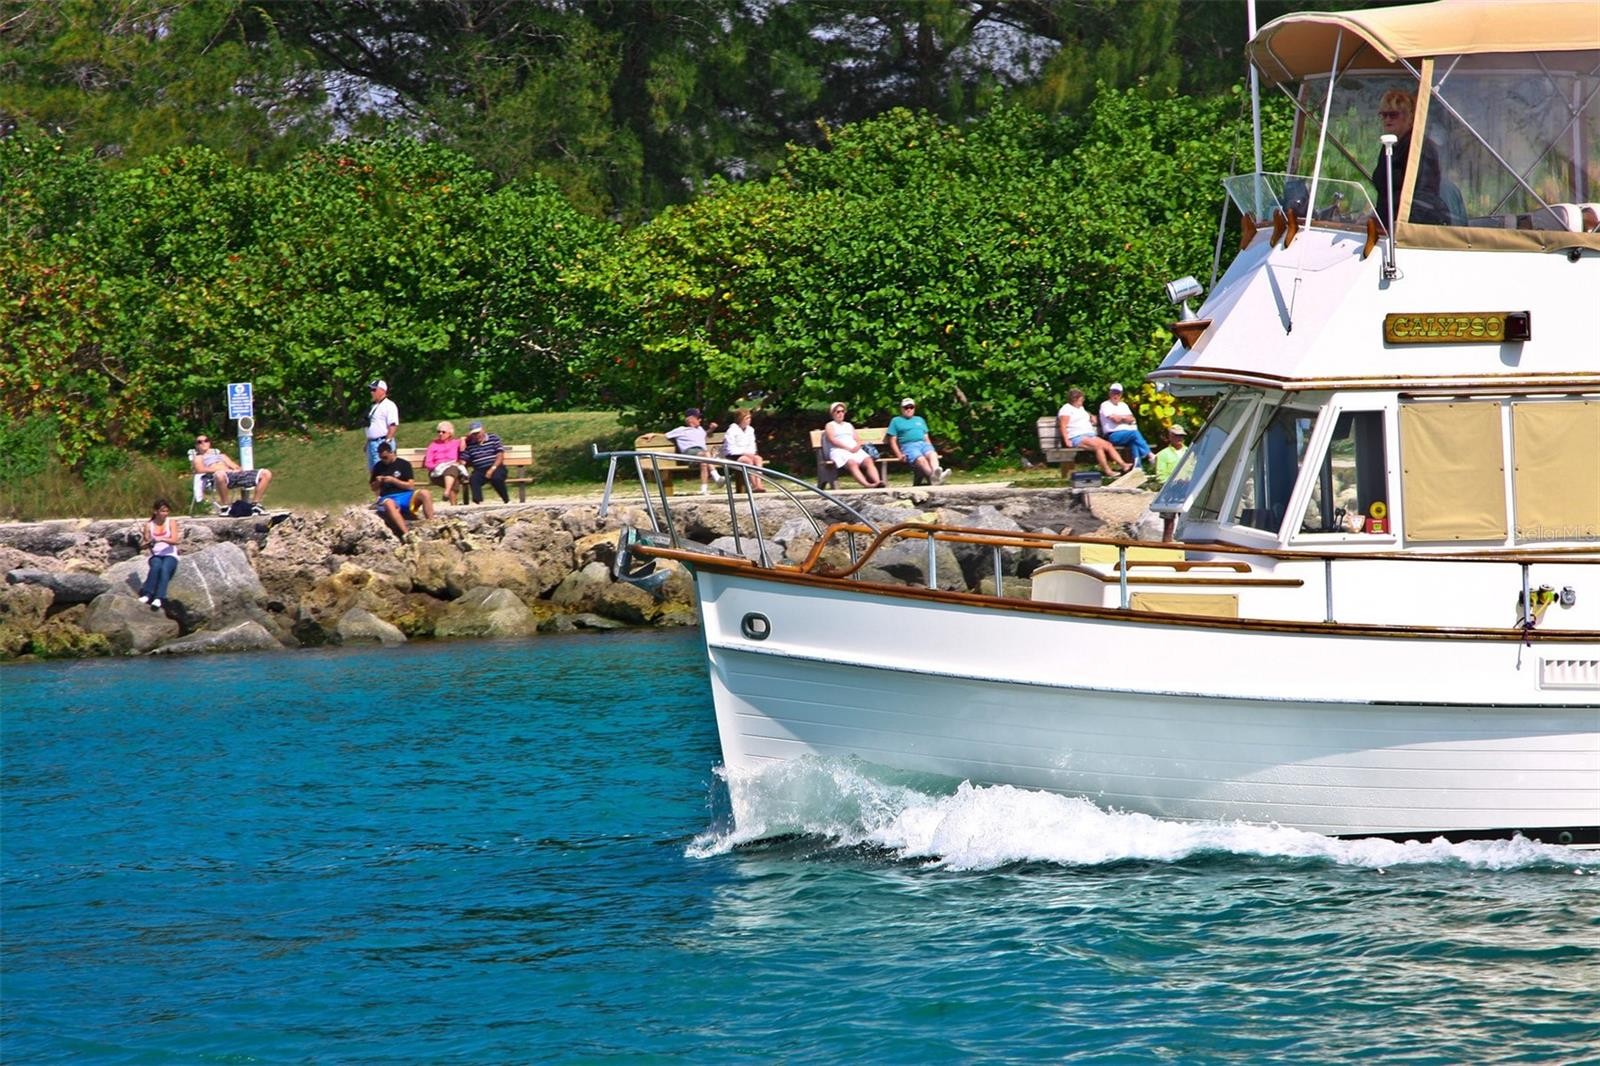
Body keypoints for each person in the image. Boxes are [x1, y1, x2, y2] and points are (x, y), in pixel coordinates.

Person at [1369, 89, 1445, 229]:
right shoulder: (1388, 145)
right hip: (1387, 226)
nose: (1387, 119)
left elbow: (1424, 195)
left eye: (1393, 115)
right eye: (1383, 115)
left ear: (1408, 117)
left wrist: (1401, 228)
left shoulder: (1420, 147)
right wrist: (1374, 216)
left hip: (1413, 228)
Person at [1057, 389, 1131, 477]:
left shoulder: (1080, 408)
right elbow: (1063, 426)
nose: (1083, 400)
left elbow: (1084, 415)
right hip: (1077, 436)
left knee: (1108, 445)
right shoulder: (1066, 409)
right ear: (1075, 399)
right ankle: (1107, 471)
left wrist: (1091, 416)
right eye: (1081, 399)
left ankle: (1124, 465)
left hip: (1090, 435)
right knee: (1098, 447)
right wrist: (1066, 440)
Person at [369, 441, 434, 538]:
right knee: (389, 503)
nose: (383, 460)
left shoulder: (404, 464)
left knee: (425, 493)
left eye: (385, 457)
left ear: (391, 453)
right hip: (388, 496)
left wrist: (394, 481)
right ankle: (407, 534)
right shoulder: (378, 466)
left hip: (406, 495)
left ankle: (432, 523)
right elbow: (373, 488)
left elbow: (410, 485)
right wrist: (378, 482)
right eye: (381, 458)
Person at [190, 433, 272, 510]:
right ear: (196, 446)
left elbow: (235, 466)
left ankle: (255, 504)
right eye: (200, 442)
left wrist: (237, 470)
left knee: (266, 473)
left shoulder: (221, 456)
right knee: (220, 474)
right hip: (217, 477)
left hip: (232, 475)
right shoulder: (198, 458)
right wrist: (221, 470)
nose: (203, 443)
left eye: (206, 440)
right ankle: (226, 506)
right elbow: (200, 470)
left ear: (209, 443)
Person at [886, 398, 951, 485]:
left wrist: (932, 449)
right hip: (909, 446)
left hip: (923, 444)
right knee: (921, 459)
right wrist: (899, 454)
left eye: (911, 407)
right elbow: (892, 440)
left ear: (914, 408)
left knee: (932, 454)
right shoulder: (896, 421)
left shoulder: (919, 419)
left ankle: (937, 474)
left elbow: (926, 437)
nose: (909, 409)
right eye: (906, 407)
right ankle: (934, 478)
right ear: (901, 409)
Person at [824, 401, 883, 488]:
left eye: (842, 411)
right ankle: (867, 484)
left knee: (868, 460)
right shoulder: (830, 425)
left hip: (854, 449)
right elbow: (832, 440)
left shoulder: (848, 425)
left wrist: (857, 446)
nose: (841, 414)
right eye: (838, 412)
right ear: (832, 413)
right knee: (852, 463)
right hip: (839, 450)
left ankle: (878, 482)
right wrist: (847, 448)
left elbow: (857, 439)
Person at [137, 498, 181, 611]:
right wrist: (148, 543)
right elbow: (144, 544)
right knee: (156, 566)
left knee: (164, 568)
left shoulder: (171, 522)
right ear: (155, 511)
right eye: (162, 511)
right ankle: (148, 594)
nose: (165, 514)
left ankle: (159, 597)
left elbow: (175, 540)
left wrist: (162, 539)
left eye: (167, 511)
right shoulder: (148, 525)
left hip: (170, 554)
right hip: (156, 555)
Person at [1098, 383, 1155, 471]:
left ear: (1121, 394)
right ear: (1110, 393)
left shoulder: (1123, 405)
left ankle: (1137, 467)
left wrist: (1121, 418)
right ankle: (1149, 454)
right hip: (1113, 435)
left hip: (1127, 435)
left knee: (1134, 441)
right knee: (1134, 434)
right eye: (1114, 393)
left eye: (1118, 393)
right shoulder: (1105, 405)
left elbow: (1132, 419)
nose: (1116, 395)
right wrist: (1125, 418)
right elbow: (1115, 419)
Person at [666, 407, 722, 494]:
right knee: (706, 454)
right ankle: (716, 476)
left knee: (704, 463)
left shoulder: (700, 429)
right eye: (698, 418)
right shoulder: (681, 430)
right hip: (689, 453)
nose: (700, 420)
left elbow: (706, 434)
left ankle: (704, 490)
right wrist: (652, 434)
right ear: (690, 419)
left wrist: (712, 429)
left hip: (701, 454)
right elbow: (666, 435)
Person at [461, 420, 510, 504]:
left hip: (496, 466)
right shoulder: (469, 443)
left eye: (478, 432)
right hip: (479, 469)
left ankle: (506, 500)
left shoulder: (493, 438)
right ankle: (478, 502)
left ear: (483, 430)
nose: (477, 435)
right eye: (474, 434)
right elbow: (464, 458)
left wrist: (492, 469)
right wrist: (462, 441)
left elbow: (500, 455)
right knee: (474, 479)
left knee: (496, 478)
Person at [1153, 425, 1188, 541]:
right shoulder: (1163, 454)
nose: (1179, 438)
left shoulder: (1190, 452)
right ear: (1170, 437)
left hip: (1186, 491)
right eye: (1177, 436)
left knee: (1186, 521)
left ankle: (1186, 545)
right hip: (1169, 493)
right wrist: (1176, 482)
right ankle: (1166, 545)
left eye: (1181, 436)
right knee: (1168, 522)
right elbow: (1160, 476)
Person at [722, 409, 768, 492]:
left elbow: (752, 445)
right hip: (734, 455)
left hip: (748, 454)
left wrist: (751, 453)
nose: (749, 420)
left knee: (758, 459)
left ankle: (759, 484)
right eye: (747, 418)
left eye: (750, 418)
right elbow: (730, 449)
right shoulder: (731, 431)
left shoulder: (750, 430)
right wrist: (744, 453)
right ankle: (754, 485)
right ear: (740, 419)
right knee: (747, 461)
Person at [424, 421, 468, 505]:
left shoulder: (456, 443)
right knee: (454, 478)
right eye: (439, 432)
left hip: (453, 470)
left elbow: (464, 448)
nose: (440, 434)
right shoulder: (433, 445)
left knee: (452, 469)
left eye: (443, 432)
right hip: (437, 473)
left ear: (450, 433)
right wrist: (440, 465)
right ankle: (453, 505)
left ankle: (447, 493)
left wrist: (463, 440)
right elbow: (428, 463)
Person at [365, 379, 399, 471]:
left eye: (374, 390)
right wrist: (367, 443)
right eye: (371, 390)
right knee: (374, 472)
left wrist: (386, 443)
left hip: (381, 442)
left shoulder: (389, 405)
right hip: (372, 443)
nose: (371, 392)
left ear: (382, 390)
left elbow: (392, 425)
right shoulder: (374, 406)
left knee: (383, 471)